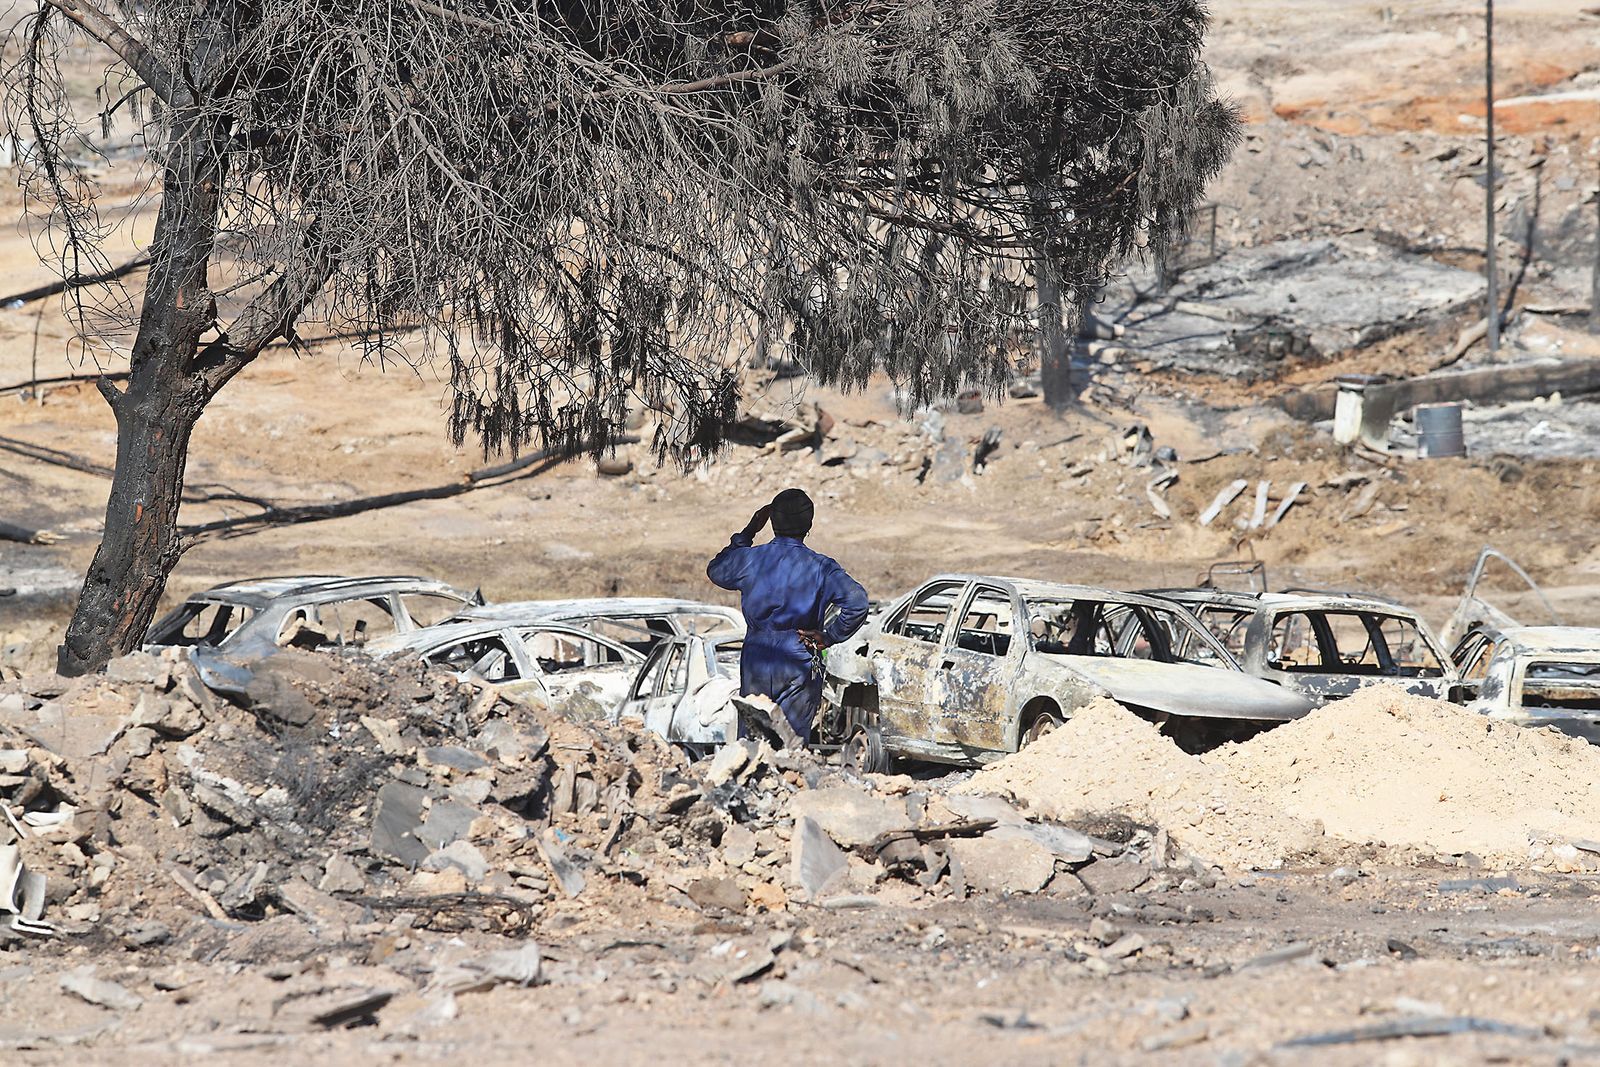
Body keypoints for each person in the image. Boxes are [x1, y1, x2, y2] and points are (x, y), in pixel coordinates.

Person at [707, 488, 869, 742]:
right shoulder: (821, 566)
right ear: (809, 524)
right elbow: (857, 603)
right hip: (799, 652)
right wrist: (829, 637)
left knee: (752, 737)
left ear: (771, 521)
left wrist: (748, 532)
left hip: (756, 656)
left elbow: (716, 570)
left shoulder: (750, 559)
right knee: (791, 738)